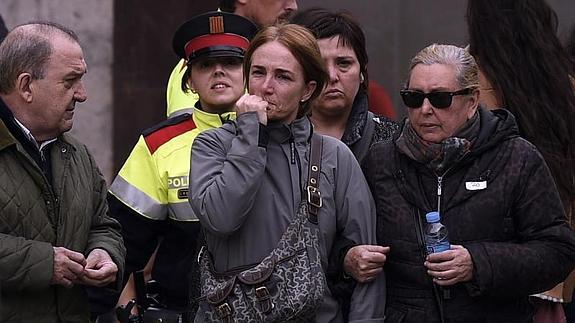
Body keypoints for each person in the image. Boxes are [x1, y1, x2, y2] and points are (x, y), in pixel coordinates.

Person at [362, 43, 575, 322]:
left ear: (472, 101)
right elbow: (342, 239)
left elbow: (558, 251)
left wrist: (478, 262)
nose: (425, 109)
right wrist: (350, 257)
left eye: (440, 99)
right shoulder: (382, 161)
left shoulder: (516, 158)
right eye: (413, 98)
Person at [189, 24, 386, 322]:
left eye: (282, 76)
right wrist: (250, 136)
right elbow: (221, 218)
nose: (266, 87)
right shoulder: (212, 145)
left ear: (307, 90)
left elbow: (368, 265)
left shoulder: (333, 155)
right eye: (258, 73)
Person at [108, 11, 257, 321]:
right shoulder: (157, 144)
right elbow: (123, 240)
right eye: (205, 65)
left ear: (249, 72)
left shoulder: (278, 134)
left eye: (230, 63)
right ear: (189, 80)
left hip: (266, 306)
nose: (218, 72)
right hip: (184, 308)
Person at [0, 21, 125, 322]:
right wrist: (45, 262)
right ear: (26, 86)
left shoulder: (77, 153)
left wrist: (105, 254)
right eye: (70, 82)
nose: (82, 95)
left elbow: (103, 225)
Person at [466, 0, 575, 320]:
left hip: (484, 272)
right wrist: (554, 291)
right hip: (556, 271)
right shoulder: (564, 86)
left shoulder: (467, 84)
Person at [290, 7, 397, 317]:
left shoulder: (393, 141)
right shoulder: (277, 146)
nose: (332, 76)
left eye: (344, 63)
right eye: (320, 65)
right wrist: (343, 259)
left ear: (362, 71)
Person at [166, 0, 298, 118]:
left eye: (231, 63)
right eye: (206, 65)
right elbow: (187, 136)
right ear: (191, 82)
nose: (293, 6)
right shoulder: (193, 65)